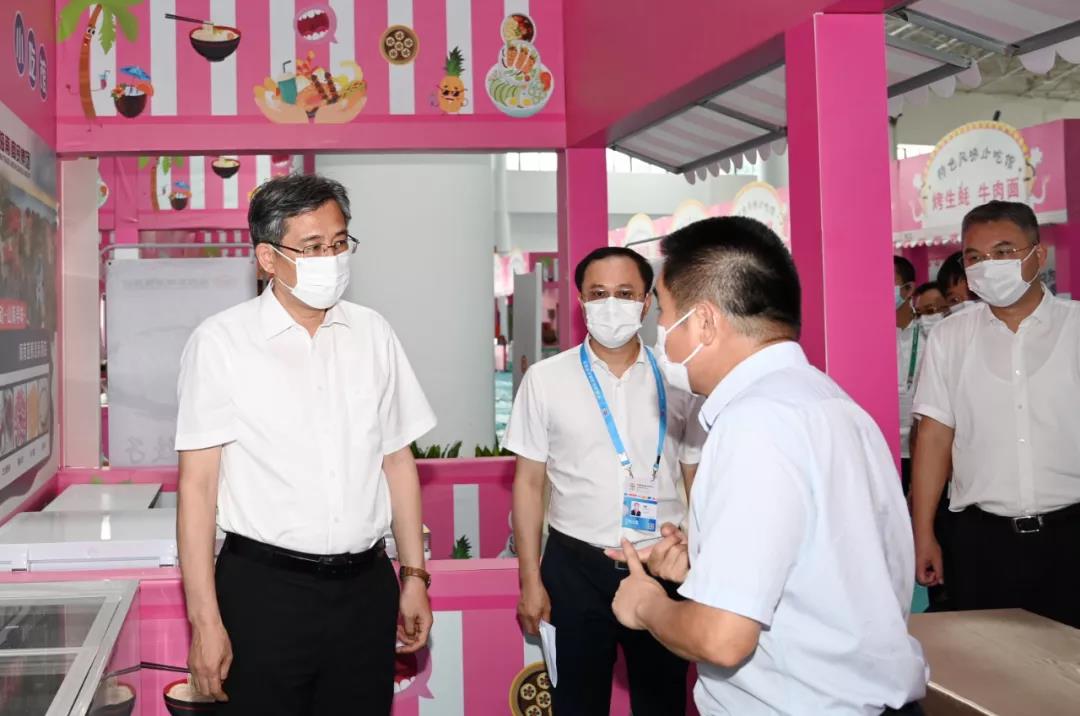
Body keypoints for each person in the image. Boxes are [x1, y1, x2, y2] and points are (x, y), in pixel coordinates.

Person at [609, 217, 927, 716]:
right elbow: (830, 568)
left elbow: (722, 639)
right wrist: (706, 564)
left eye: (665, 316)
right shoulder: (833, 404)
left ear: (705, 323)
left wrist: (645, 603)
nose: (661, 339)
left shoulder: (753, 424)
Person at [175, 174, 436, 715]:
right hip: (264, 591)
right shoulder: (222, 343)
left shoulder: (373, 334)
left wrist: (413, 575)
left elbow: (397, 461)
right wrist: (205, 621)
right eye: (312, 247)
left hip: (366, 588)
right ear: (267, 258)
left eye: (339, 243)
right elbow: (197, 488)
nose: (331, 259)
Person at [504, 246, 705, 716]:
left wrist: (703, 564)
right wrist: (530, 580)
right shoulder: (545, 380)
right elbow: (529, 483)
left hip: (662, 566)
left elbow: (696, 477)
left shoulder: (680, 379)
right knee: (576, 704)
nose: (611, 305)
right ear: (580, 301)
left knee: (662, 703)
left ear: (647, 302)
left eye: (625, 293)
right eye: (598, 294)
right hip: (574, 567)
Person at [912, 200, 1080, 628]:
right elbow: (934, 438)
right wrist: (923, 531)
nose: (988, 265)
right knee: (990, 662)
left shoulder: (1076, 327)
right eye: (975, 257)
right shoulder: (950, 337)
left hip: (1072, 532)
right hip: (983, 542)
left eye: (1003, 252)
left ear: (1038, 255)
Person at [895, 256, 920, 494]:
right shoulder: (868, 336)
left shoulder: (929, 334)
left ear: (908, 289)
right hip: (885, 447)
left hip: (920, 448)